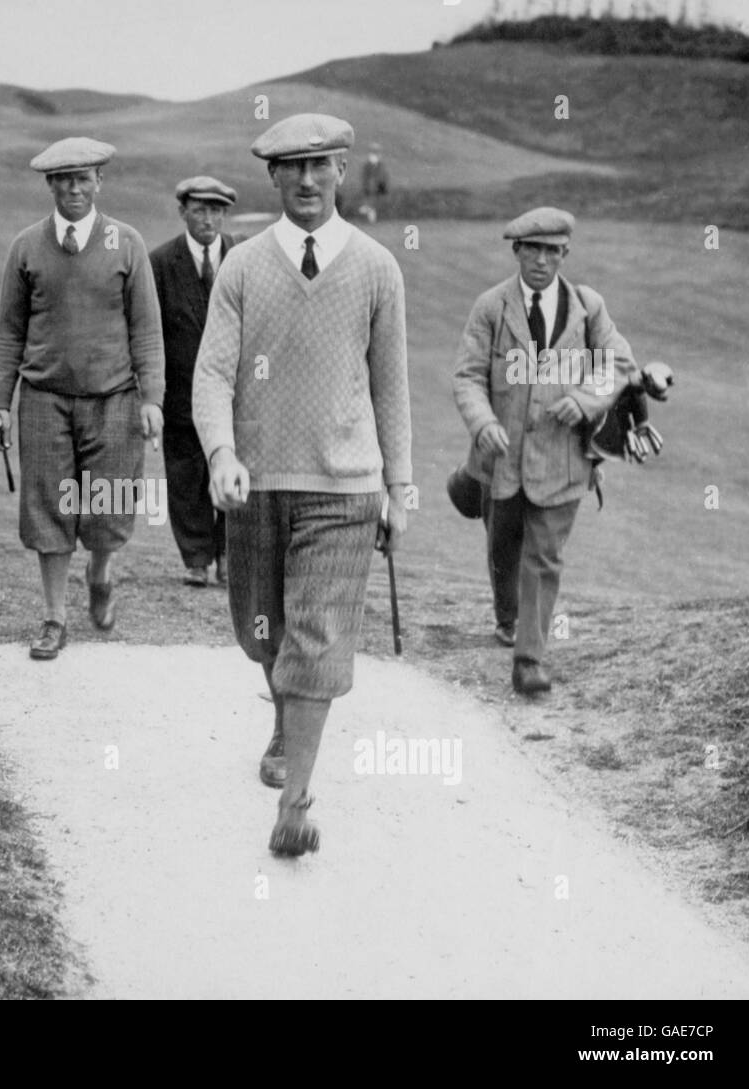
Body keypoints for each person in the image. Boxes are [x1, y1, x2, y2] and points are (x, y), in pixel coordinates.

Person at [193, 114, 412, 856]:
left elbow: (392, 388)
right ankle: (284, 714)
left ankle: (297, 802)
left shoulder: (379, 267)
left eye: (321, 165)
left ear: (343, 171)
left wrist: (399, 487)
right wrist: (221, 452)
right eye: (293, 168)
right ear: (273, 178)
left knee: (317, 638)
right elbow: (214, 373)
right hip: (256, 485)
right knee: (263, 629)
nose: (309, 180)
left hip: (345, 487)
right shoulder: (243, 266)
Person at [0, 137, 165, 660]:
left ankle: (101, 571)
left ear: (98, 183)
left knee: (106, 511)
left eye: (83, 177)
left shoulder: (126, 243)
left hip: (114, 399)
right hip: (44, 398)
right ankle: (53, 617)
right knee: (48, 509)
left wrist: (151, 398)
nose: (73, 188)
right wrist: (1, 402)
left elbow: (147, 332)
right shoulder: (26, 246)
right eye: (63, 179)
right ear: (49, 184)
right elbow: (8, 333)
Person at [453, 207, 637, 695]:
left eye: (551, 251)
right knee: (504, 547)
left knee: (545, 555)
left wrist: (585, 399)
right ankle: (508, 615)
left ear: (564, 254)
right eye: (531, 249)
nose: (541, 260)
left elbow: (620, 363)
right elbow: (468, 377)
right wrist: (483, 421)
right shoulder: (492, 306)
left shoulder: (586, 307)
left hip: (563, 461)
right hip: (501, 458)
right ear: (516, 252)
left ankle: (529, 659)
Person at [149, 176, 237, 588]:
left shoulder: (243, 256)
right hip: (180, 393)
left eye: (216, 210)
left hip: (236, 396)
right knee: (186, 479)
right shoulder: (161, 263)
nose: (208, 219)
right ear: (182, 211)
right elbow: (150, 332)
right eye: (199, 210)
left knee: (233, 473)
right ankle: (196, 559)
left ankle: (227, 556)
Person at [358, 142, 389, 224]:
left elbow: (380, 174)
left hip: (374, 184)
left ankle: (368, 214)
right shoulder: (373, 161)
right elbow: (368, 174)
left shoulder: (376, 161)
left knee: (372, 202)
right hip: (372, 184)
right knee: (371, 202)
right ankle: (369, 215)